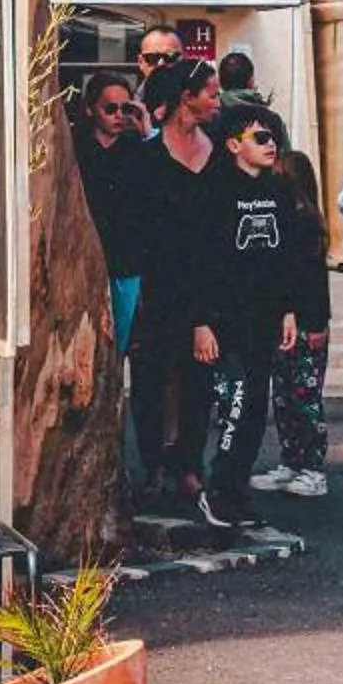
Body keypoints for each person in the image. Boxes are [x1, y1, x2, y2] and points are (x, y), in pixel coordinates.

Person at [191, 105, 321, 533]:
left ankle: (237, 492)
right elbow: (200, 262)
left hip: (264, 318)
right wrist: (201, 322)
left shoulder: (279, 191)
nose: (271, 146)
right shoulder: (213, 192)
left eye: (273, 138)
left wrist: (288, 310)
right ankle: (218, 489)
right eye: (260, 138)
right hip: (225, 320)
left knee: (255, 408)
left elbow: (284, 259)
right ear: (233, 145)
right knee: (237, 402)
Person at [130, 54, 230, 507]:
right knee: (152, 375)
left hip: (210, 282)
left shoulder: (220, 153)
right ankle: (153, 461)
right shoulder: (148, 157)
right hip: (159, 284)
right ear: (186, 98)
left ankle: (190, 463)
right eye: (211, 92)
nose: (218, 99)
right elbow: (144, 231)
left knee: (198, 379)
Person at [262, 149, 334, 500]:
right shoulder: (296, 219)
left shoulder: (303, 222)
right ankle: (293, 461)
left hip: (307, 321)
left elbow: (313, 281)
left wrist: (317, 323)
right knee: (286, 395)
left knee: (304, 397)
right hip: (290, 320)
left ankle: (312, 466)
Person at [71, 71, 152, 352]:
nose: (119, 115)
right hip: (82, 255)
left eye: (125, 108)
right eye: (110, 108)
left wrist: (146, 129)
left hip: (125, 259)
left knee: (119, 340)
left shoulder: (138, 149)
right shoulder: (75, 147)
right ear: (92, 108)